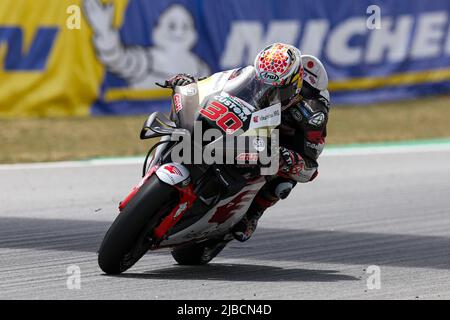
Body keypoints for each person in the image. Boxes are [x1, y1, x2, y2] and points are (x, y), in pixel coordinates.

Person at [164, 43, 331, 242]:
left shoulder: (312, 112)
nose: (268, 92)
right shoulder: (256, 73)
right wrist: (193, 83)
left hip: (281, 141)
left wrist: (288, 158)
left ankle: (253, 213)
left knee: (283, 183)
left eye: (276, 90)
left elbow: (310, 166)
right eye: (263, 83)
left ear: (294, 84)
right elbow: (220, 82)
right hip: (247, 121)